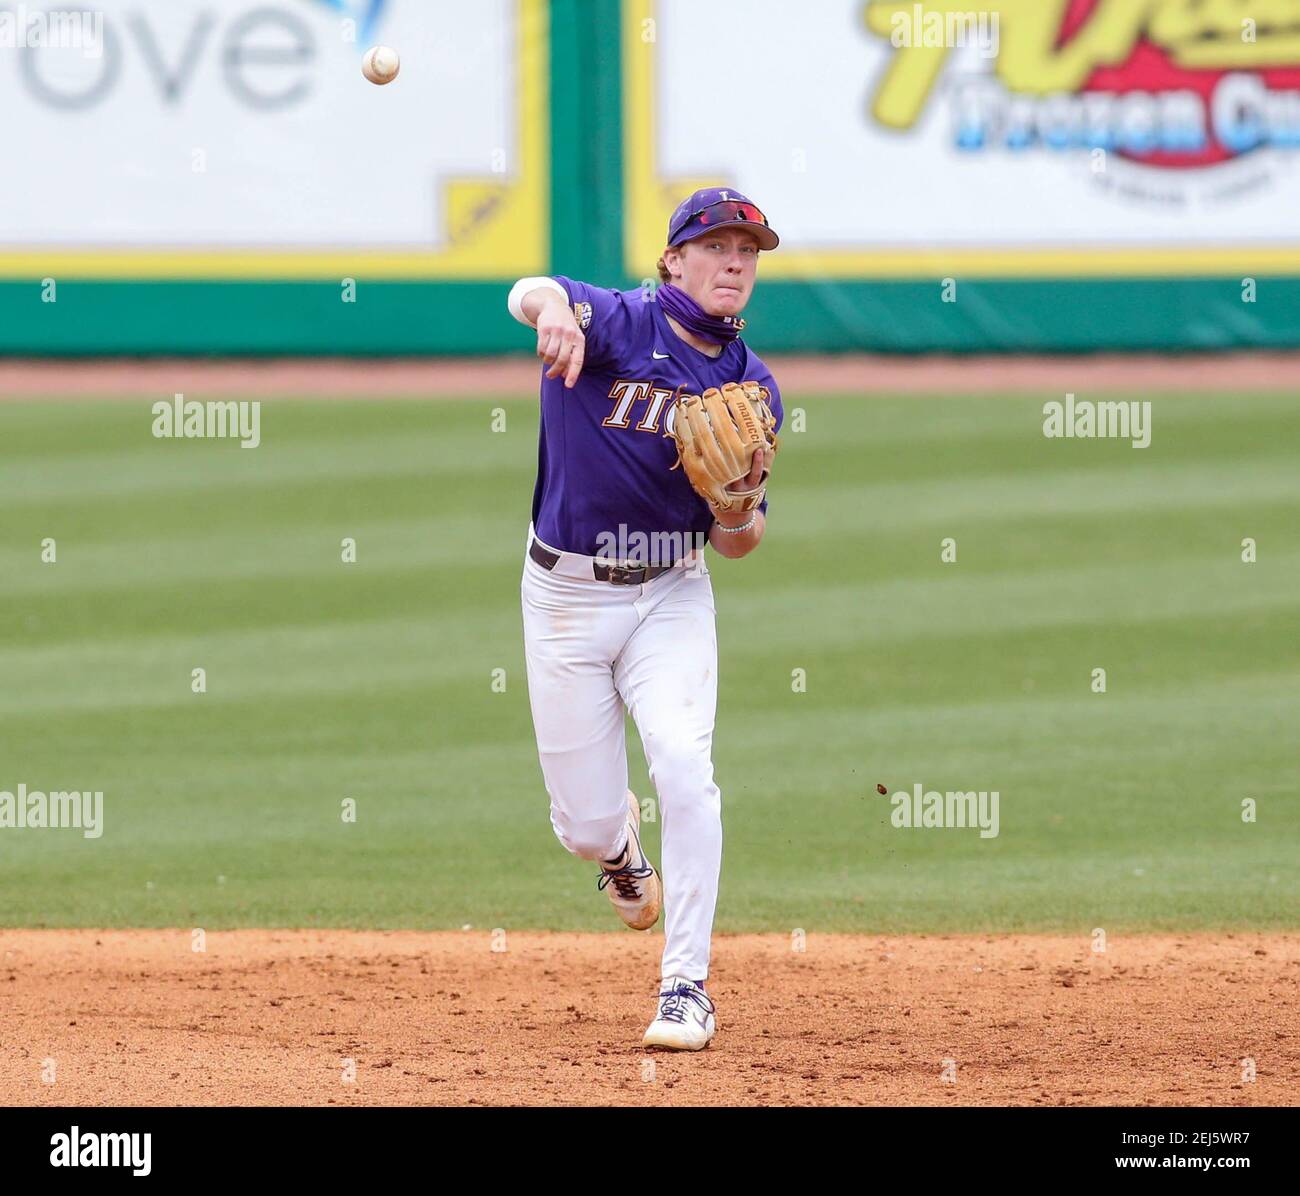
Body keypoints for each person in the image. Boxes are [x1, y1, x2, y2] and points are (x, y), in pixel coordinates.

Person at [506, 187, 782, 1050]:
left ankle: (686, 988)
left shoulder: (754, 385)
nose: (735, 261)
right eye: (717, 246)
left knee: (684, 765)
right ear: (674, 260)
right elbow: (530, 290)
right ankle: (622, 852)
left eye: (749, 250)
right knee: (585, 827)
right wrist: (553, 312)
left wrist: (736, 507)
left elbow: (741, 543)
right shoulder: (621, 323)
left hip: (671, 594)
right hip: (565, 597)